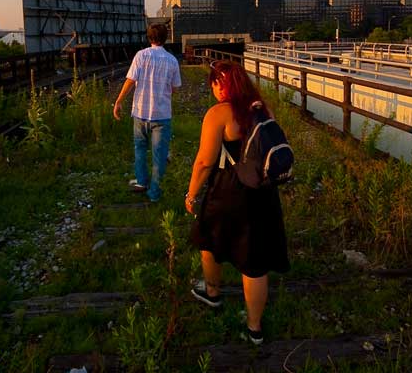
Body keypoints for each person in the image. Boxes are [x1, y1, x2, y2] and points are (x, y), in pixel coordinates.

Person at [185, 60, 289, 345]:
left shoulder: (219, 113)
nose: (214, 89)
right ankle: (254, 328)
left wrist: (191, 194)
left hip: (228, 190)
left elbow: (205, 162)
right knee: (255, 262)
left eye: (215, 83)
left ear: (221, 85)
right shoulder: (263, 108)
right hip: (262, 191)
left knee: (209, 240)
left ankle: (212, 293)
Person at [113, 23, 181, 203]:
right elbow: (175, 88)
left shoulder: (141, 56)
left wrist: (119, 101)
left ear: (149, 37)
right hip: (162, 114)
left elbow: (130, 81)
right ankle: (154, 193)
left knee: (140, 149)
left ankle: (142, 182)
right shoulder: (172, 60)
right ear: (165, 38)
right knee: (160, 155)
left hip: (140, 111)